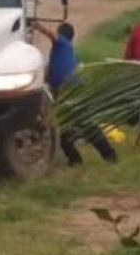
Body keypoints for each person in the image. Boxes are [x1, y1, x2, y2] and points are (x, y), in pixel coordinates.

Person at [35, 22, 117, 166]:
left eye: (57, 33)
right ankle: (76, 159)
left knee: (82, 124)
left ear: (61, 34)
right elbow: (49, 72)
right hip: (65, 90)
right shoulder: (61, 51)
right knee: (67, 127)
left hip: (69, 89)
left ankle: (107, 154)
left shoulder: (63, 43)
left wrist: (37, 26)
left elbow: (51, 35)